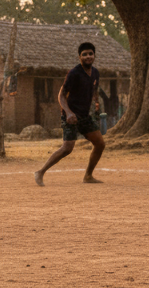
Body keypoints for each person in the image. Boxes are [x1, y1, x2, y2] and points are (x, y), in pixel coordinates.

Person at [34, 42, 105, 186]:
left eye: (90, 54)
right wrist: (68, 112)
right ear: (79, 57)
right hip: (70, 115)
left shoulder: (95, 73)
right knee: (67, 148)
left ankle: (88, 176)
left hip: (85, 116)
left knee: (100, 144)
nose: (88, 57)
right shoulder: (74, 73)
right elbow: (61, 95)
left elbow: (94, 91)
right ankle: (40, 172)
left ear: (94, 55)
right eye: (84, 54)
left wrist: (96, 104)